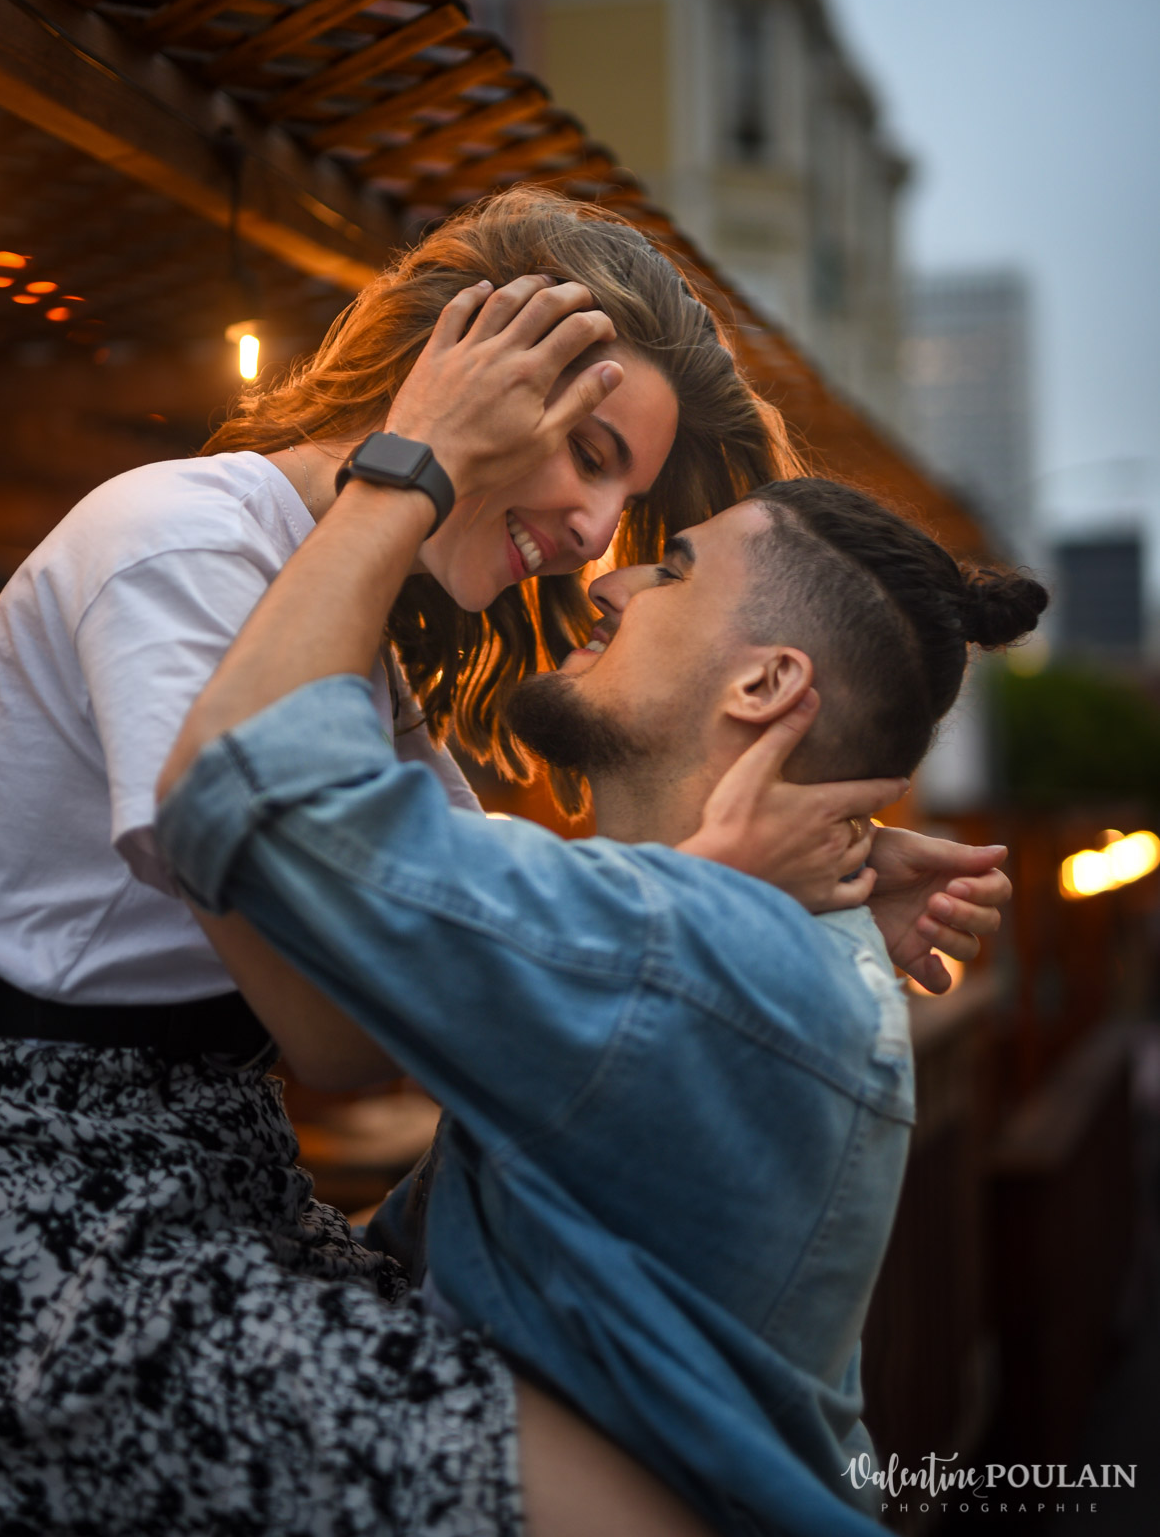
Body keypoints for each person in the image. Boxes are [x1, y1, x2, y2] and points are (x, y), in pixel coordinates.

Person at [0, 198, 1009, 1535]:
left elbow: (459, 886)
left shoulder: (349, 637)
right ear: (463, 370)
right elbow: (335, 1024)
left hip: (211, 1197)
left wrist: (797, 850)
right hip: (24, 1225)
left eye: (626, 497)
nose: (596, 534)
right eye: (590, 457)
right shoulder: (182, 542)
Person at [155, 378, 1047, 1532]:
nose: (608, 574)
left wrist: (406, 464)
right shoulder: (738, 940)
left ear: (766, 684)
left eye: (669, 570)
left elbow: (255, 788)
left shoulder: (687, 951)